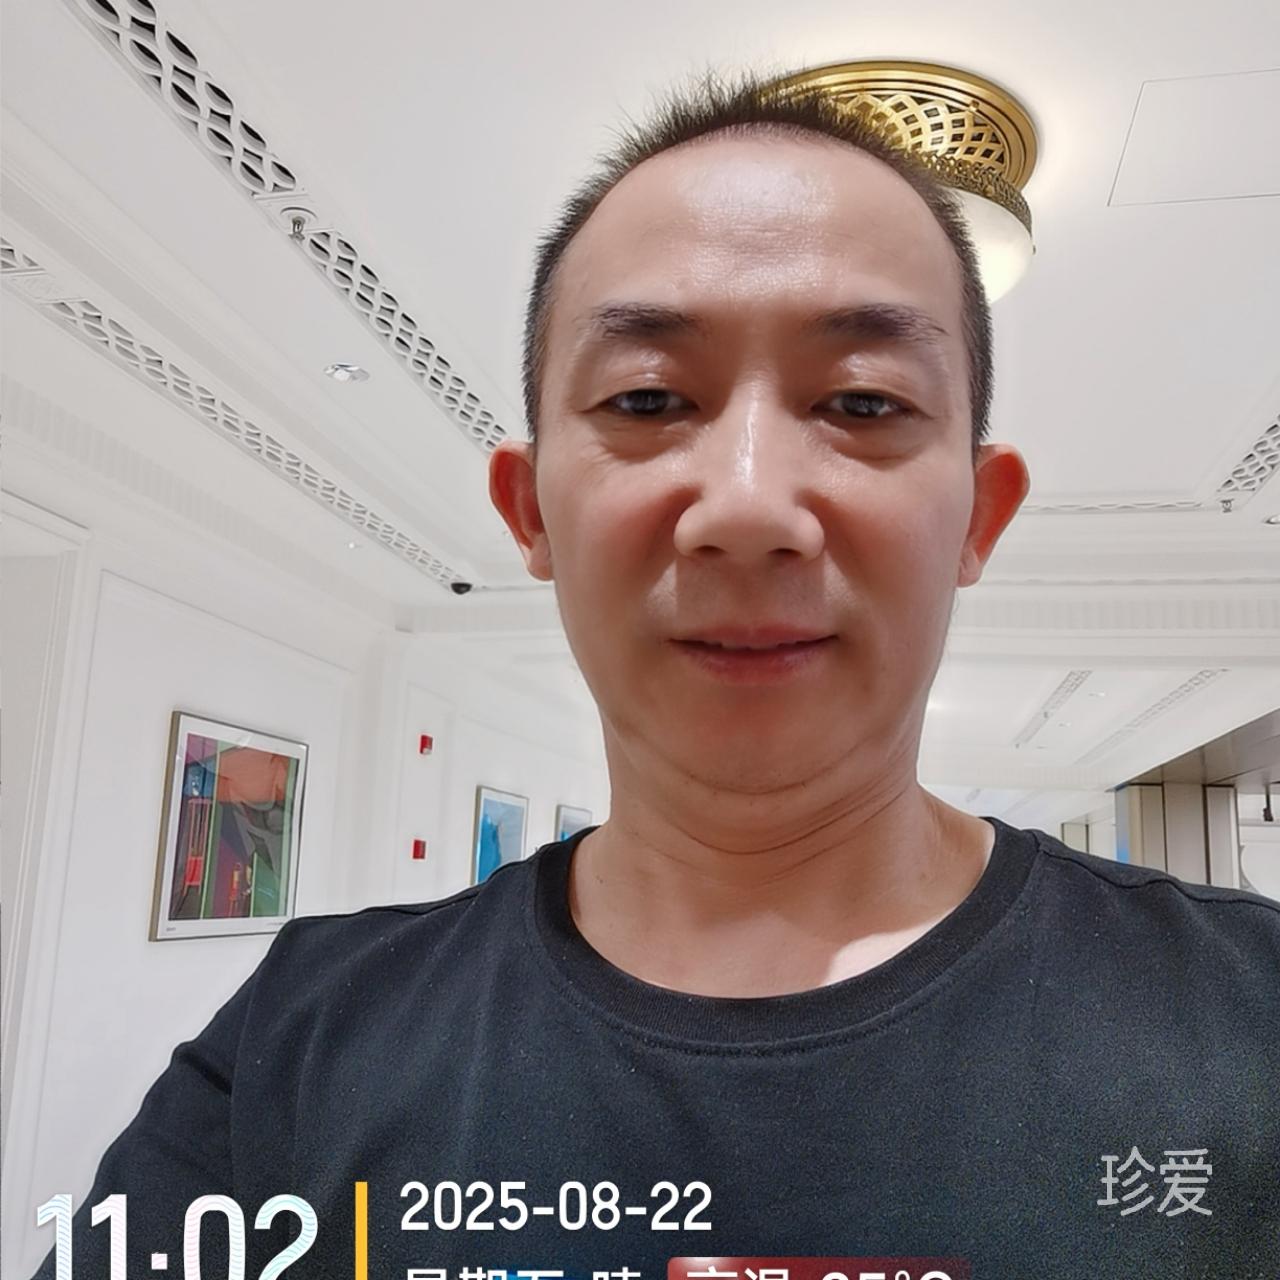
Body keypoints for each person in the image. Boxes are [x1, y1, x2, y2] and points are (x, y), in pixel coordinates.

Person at [32, 75, 1280, 1279]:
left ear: (977, 515)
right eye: (644, 398)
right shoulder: (306, 1039)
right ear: (529, 508)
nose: (745, 506)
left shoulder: (1246, 1011)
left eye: (861, 402)